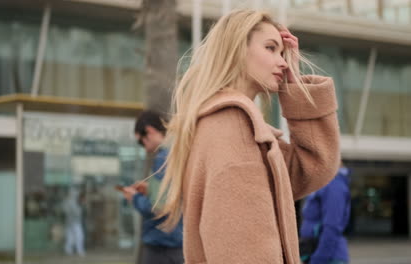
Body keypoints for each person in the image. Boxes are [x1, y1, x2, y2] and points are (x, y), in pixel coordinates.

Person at [154, 9, 341, 264]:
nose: (283, 62)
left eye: (282, 53)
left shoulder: (223, 124)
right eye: (270, 48)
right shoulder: (234, 129)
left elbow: (313, 165)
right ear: (237, 49)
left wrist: (295, 85)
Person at [121, 110, 184, 264]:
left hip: (161, 245)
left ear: (149, 131)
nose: (145, 148)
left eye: (141, 141)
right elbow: (173, 196)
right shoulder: (177, 152)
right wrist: (150, 189)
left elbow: (158, 207)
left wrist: (134, 198)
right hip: (179, 242)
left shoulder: (162, 157)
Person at [299, 166, 351, 264]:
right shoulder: (324, 183)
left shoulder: (334, 186)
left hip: (327, 257)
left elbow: (332, 226)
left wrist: (318, 259)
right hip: (314, 252)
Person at [63, 187, 85, 256]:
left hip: (70, 222)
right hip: (74, 222)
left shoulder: (68, 201)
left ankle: (68, 250)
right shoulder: (70, 202)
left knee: (70, 237)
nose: (76, 195)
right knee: (79, 236)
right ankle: (79, 251)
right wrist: (80, 208)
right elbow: (76, 212)